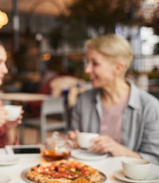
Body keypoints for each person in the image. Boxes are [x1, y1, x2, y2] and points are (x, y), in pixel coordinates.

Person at [66, 34, 159, 164]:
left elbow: (155, 161)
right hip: (89, 176)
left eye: (95, 63)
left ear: (118, 67)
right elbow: (74, 149)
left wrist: (122, 151)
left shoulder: (150, 107)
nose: (87, 69)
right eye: (87, 63)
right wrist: (73, 142)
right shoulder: (83, 101)